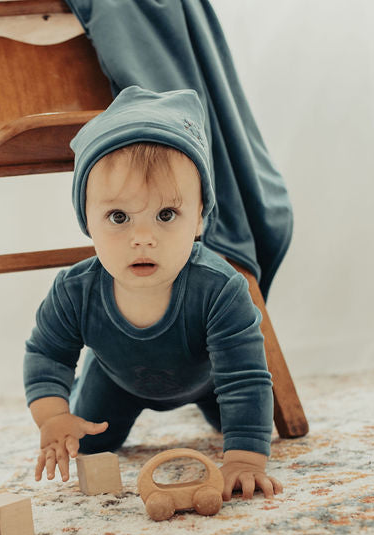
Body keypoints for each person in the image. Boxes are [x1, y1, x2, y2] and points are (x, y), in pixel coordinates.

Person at [23, 86, 283, 502]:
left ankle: (234, 431)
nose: (142, 238)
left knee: (245, 424)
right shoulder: (75, 291)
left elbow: (245, 376)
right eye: (119, 217)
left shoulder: (220, 290)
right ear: (87, 221)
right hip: (114, 382)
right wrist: (53, 416)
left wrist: (245, 459)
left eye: (166, 214)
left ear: (199, 219)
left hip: (210, 379)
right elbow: (47, 353)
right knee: (87, 445)